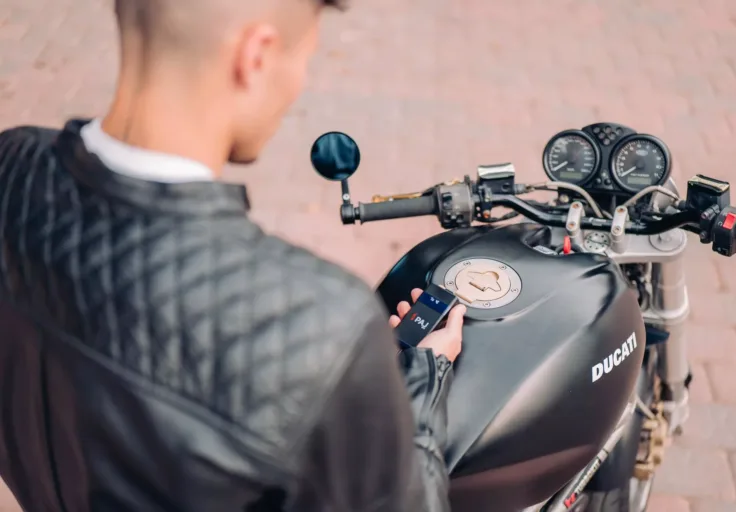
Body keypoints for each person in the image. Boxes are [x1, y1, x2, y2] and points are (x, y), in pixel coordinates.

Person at [0, 0, 466, 511]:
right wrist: (422, 390)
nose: (299, 82)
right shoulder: (324, 323)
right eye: (303, 57)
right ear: (256, 55)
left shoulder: (11, 168)